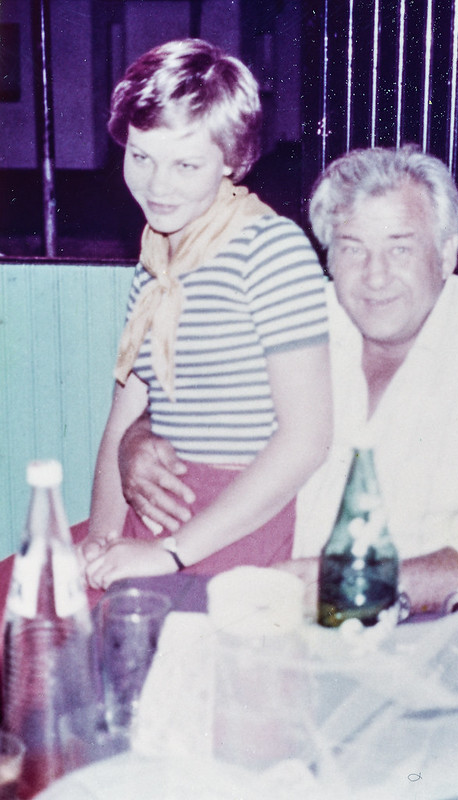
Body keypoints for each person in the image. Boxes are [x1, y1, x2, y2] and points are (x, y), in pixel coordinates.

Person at [118, 145, 458, 616]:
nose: (375, 276)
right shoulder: (301, 320)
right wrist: (139, 439)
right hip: (280, 611)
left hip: (429, 631)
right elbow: (207, 395)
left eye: (400, 248)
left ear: (447, 251)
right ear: (328, 255)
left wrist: (359, 581)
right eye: (353, 248)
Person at [77, 38, 332, 591]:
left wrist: (169, 554)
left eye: (186, 164)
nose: (157, 185)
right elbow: (122, 421)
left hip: (234, 526)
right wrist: (100, 545)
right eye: (141, 156)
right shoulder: (155, 263)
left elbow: (307, 439)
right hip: (156, 513)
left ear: (233, 160)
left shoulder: (271, 249)